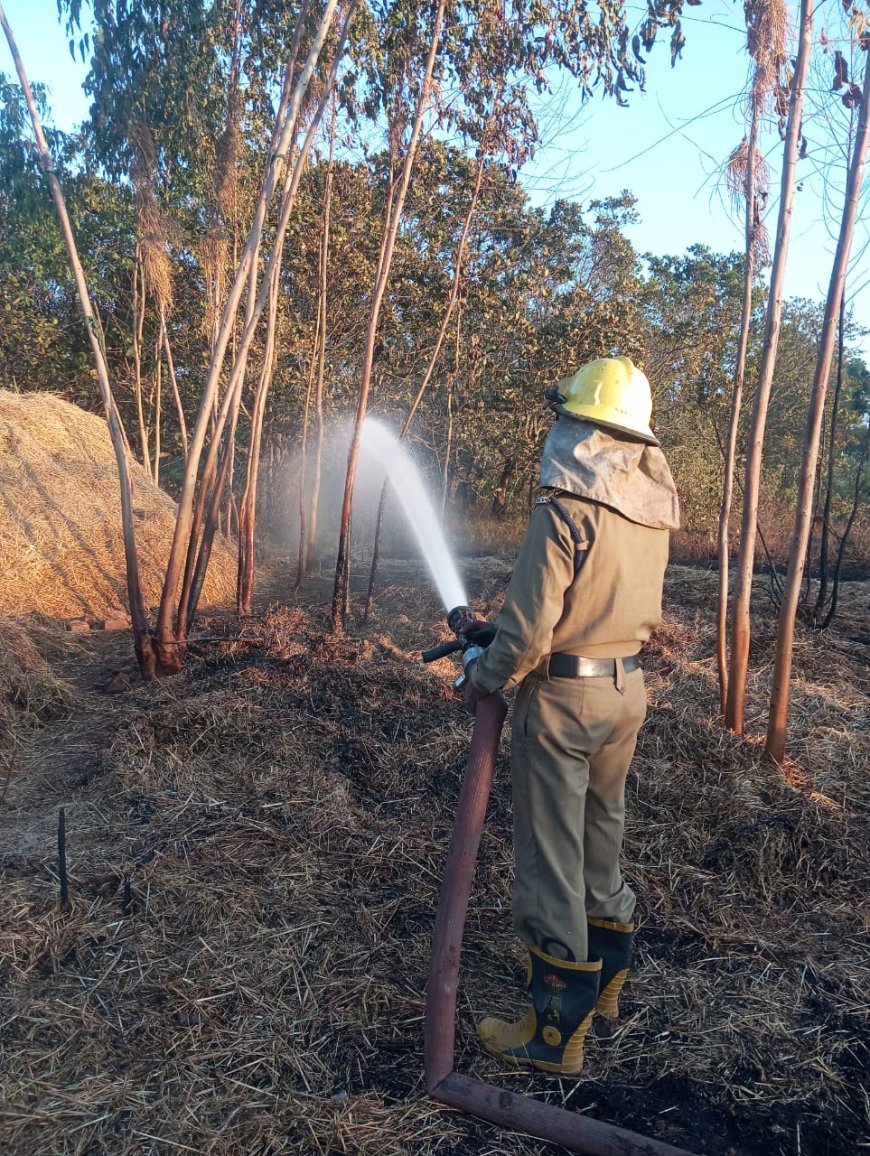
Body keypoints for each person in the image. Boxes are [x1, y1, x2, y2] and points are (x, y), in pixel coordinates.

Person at [462, 355, 679, 1075]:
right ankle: (607, 982)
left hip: (562, 701)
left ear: (581, 430)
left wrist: (483, 678)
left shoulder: (563, 510)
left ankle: (553, 1033)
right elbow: (593, 607)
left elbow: (527, 634)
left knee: (550, 861)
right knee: (599, 839)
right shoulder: (648, 514)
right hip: (626, 690)